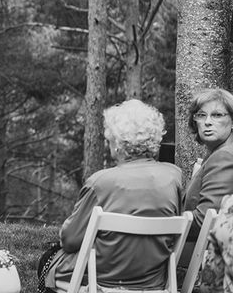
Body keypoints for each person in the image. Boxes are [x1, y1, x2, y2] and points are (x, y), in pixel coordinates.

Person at [39, 99, 183, 292]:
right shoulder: (173, 176)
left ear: (117, 144)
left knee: (47, 262)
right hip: (153, 281)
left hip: (99, 279)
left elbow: (70, 240)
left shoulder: (100, 182)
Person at [182, 88, 233, 263]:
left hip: (203, 259)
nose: (207, 122)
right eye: (201, 115)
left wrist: (164, 225)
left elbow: (206, 219)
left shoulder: (224, 156)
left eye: (217, 115)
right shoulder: (217, 154)